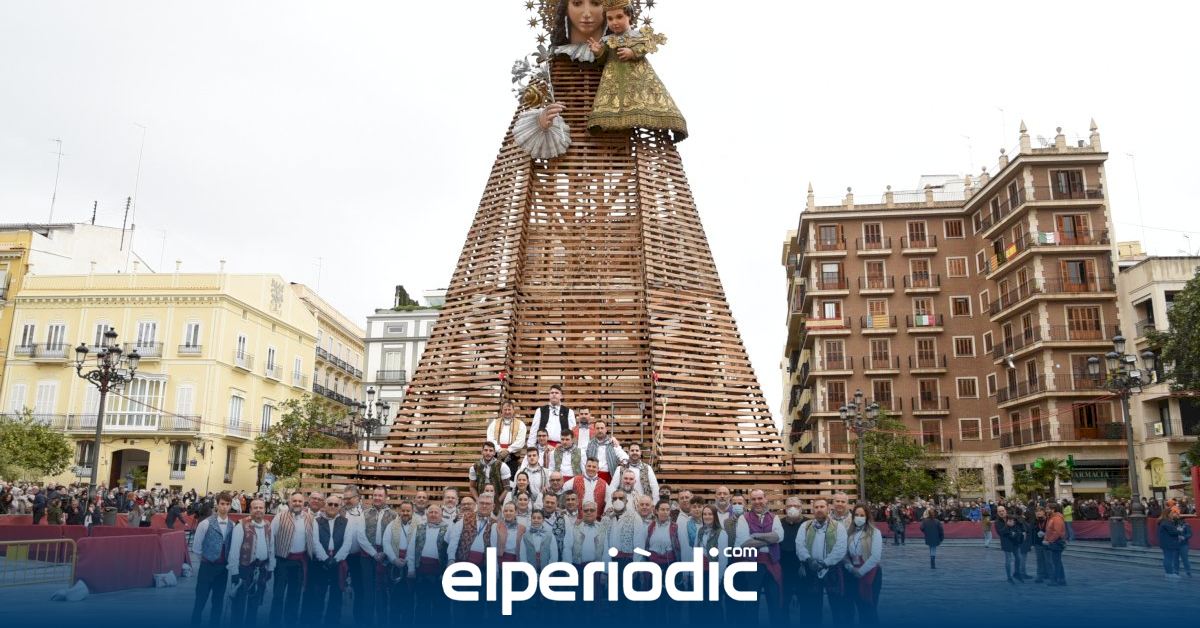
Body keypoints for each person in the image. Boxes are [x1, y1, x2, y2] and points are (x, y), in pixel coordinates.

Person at [583, 0, 687, 140]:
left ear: (629, 16)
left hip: (638, 76)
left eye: (619, 17)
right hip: (613, 78)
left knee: (650, 98)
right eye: (610, 18)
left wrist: (633, 52)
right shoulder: (607, 40)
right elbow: (602, 59)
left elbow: (645, 47)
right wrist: (598, 52)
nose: (614, 22)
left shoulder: (638, 35)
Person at [735, 489, 784, 623]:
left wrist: (756, 536)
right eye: (754, 499)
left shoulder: (774, 517)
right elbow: (744, 543)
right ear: (750, 501)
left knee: (775, 604)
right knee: (751, 606)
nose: (757, 502)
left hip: (772, 563)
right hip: (752, 565)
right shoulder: (743, 518)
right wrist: (769, 539)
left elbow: (779, 537)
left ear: (765, 499)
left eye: (760, 498)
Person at [795, 498, 847, 626]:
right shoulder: (805, 526)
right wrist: (809, 560)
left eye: (822, 507)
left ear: (828, 508)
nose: (819, 509)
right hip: (811, 568)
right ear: (813, 509)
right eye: (816, 507)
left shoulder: (838, 527)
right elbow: (799, 545)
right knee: (812, 607)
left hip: (832, 569)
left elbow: (840, 548)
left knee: (838, 607)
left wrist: (825, 563)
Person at [269, 491, 315, 625]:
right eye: (294, 501)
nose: (297, 503)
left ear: (304, 503)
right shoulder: (280, 516)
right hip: (282, 561)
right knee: (278, 595)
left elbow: (313, 539)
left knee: (294, 596)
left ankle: (290, 623)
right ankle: (274, 623)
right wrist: (271, 561)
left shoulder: (310, 518)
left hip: (299, 563)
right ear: (289, 502)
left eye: (300, 501)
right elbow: (271, 538)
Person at [305, 494, 353, 622]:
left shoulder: (346, 522)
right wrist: (325, 559)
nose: (332, 506)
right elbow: (315, 542)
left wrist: (336, 560)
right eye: (330, 504)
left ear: (340, 507)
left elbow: (347, 543)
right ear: (325, 505)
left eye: (336, 505)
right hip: (320, 562)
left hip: (338, 562)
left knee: (336, 596)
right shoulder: (317, 521)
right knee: (317, 595)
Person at [227, 498, 274, 626]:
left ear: (265, 509)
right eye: (255, 507)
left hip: (261, 568)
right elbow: (234, 550)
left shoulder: (268, 525)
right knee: (239, 603)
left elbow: (271, 548)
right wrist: (235, 572)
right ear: (250, 509)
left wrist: (270, 568)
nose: (258, 510)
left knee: (254, 602)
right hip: (244, 569)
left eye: (261, 507)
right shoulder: (241, 525)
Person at [191, 492, 234, 625]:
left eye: (227, 504)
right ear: (217, 504)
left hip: (223, 569)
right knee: (200, 599)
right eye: (222, 504)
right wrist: (206, 559)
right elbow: (196, 547)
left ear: (230, 506)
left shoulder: (232, 525)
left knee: (218, 600)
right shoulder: (205, 523)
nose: (224, 507)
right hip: (207, 567)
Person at [406, 504, 451, 624]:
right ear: (427, 514)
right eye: (431, 512)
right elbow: (411, 549)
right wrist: (411, 569)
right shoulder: (419, 527)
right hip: (421, 570)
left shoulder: (448, 528)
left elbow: (451, 551)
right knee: (421, 603)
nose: (433, 514)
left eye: (436, 512)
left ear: (441, 514)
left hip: (439, 572)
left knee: (439, 604)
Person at [844, 505, 883, 626]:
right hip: (853, 573)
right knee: (859, 606)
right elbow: (845, 554)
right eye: (856, 515)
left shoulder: (875, 532)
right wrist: (850, 568)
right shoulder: (849, 532)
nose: (859, 517)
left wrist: (861, 571)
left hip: (870, 573)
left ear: (867, 517)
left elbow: (875, 556)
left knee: (869, 608)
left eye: (862, 515)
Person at [382, 501, 417, 623]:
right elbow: (386, 543)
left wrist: (409, 562)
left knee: (409, 598)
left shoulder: (419, 525)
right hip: (395, 565)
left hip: (411, 565)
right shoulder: (392, 525)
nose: (405, 513)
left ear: (412, 511)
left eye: (408, 511)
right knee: (394, 597)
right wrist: (394, 559)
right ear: (399, 511)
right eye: (403, 510)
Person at [779, 497, 806, 624]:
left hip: (804, 569)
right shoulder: (779, 524)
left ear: (801, 508)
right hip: (784, 570)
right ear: (785, 508)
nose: (793, 508)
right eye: (789, 506)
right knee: (783, 605)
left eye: (796, 506)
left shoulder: (808, 524)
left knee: (806, 605)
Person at [487, 400, 528, 477]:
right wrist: (499, 450)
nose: (507, 412)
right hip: (496, 456)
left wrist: (508, 450)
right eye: (505, 409)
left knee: (510, 479)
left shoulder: (520, 424)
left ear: (513, 410)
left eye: (509, 409)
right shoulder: (494, 423)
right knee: (495, 479)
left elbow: (520, 441)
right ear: (501, 411)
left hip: (512, 457)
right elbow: (490, 439)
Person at [585, 418, 626, 483]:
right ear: (594, 430)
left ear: (606, 430)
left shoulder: (612, 443)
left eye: (602, 428)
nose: (600, 430)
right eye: (597, 428)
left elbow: (623, 456)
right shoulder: (589, 444)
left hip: (609, 476)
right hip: (593, 476)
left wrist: (624, 461)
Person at [996, 506, 1025, 583]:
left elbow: (1019, 525)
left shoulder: (1012, 517)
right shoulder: (997, 522)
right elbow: (1001, 533)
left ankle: (1017, 573)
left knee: (1018, 558)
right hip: (1006, 542)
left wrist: (1018, 533)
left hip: (1015, 540)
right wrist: (1007, 526)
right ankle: (1009, 577)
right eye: (999, 511)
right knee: (1008, 559)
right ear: (997, 513)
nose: (1001, 512)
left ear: (1005, 511)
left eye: (1002, 510)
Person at [1043, 503, 1067, 586]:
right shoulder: (1052, 517)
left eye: (1047, 509)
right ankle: (1061, 579)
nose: (1046, 510)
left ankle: (1056, 580)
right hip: (1054, 541)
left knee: (1056, 562)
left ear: (1053, 509)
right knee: (1057, 561)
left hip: (1056, 542)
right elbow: (1050, 530)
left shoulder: (1056, 518)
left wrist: (1049, 541)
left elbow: (1057, 532)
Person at [1159, 507, 1184, 578]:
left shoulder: (1165, 521)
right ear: (1168, 514)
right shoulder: (1166, 522)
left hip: (1166, 542)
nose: (1173, 514)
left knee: (1168, 557)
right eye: (1172, 513)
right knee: (1168, 558)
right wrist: (1180, 530)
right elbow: (1172, 532)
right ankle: (1169, 573)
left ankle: (1168, 572)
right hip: (1168, 543)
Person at [1031, 507, 1050, 583]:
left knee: (1048, 560)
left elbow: (1052, 530)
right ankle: (1039, 576)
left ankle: (1049, 575)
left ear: (1044, 512)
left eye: (1040, 511)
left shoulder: (1048, 520)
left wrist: (1045, 534)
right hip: (1038, 543)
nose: (1038, 513)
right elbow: (1032, 531)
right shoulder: (1035, 521)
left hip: (1047, 542)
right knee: (1039, 560)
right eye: (1037, 511)